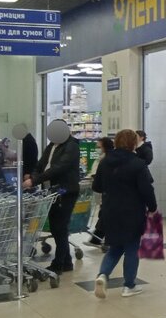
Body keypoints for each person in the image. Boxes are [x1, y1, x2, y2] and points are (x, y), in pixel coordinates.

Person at [92, 130, 157, 299]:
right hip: (132, 212)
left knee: (115, 247)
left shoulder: (105, 161)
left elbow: (96, 186)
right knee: (132, 248)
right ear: (133, 143)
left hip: (110, 211)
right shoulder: (138, 164)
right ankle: (129, 285)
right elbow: (146, 189)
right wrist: (152, 207)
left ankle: (102, 275)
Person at [25, 120, 81, 274]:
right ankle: (67, 262)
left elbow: (59, 168)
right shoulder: (51, 146)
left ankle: (58, 264)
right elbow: (40, 165)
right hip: (51, 191)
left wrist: (34, 180)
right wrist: (33, 176)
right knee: (56, 228)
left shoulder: (72, 147)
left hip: (65, 191)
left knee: (60, 228)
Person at [87, 137, 114, 247]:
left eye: (99, 147)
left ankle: (98, 239)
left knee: (104, 215)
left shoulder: (106, 160)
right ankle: (98, 239)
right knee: (104, 214)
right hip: (105, 192)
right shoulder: (102, 158)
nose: (97, 149)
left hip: (106, 192)